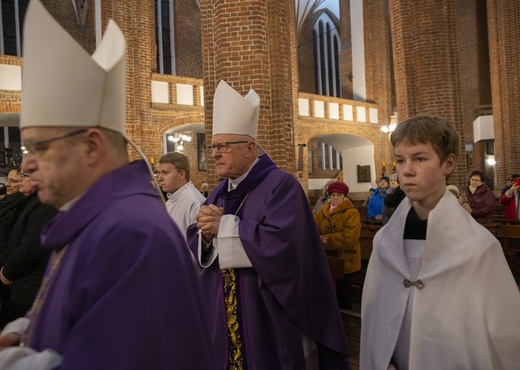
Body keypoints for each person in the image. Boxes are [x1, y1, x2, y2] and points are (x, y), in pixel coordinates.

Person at [0, 2, 212, 369]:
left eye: (39, 147)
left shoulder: (131, 232)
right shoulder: (96, 220)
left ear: (92, 145)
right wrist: (28, 331)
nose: (28, 164)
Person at [187, 80, 349, 369]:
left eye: (222, 146)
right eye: (213, 146)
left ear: (250, 147)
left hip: (265, 311)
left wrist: (223, 227)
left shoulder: (281, 186)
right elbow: (199, 236)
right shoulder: (220, 190)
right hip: (223, 310)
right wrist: (207, 234)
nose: (214, 154)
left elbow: (283, 246)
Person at [360, 114, 520, 369]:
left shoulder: (478, 247)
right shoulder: (384, 242)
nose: (406, 170)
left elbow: (506, 338)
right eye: (400, 160)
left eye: (420, 159)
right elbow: (374, 317)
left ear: (448, 163)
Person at [0, 167, 58, 325]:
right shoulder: (30, 203)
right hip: (22, 286)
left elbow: (30, 247)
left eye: (24, 176)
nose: (19, 180)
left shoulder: (45, 206)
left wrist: (7, 270)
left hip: (31, 288)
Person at [314, 181, 361, 311]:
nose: (335, 198)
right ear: (328, 196)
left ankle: (345, 322)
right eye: (333, 195)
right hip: (327, 258)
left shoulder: (352, 213)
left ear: (344, 196)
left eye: (339, 195)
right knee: (327, 294)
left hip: (346, 259)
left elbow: (349, 238)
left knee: (343, 294)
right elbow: (312, 228)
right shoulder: (323, 211)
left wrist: (324, 239)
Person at [156, 152, 206, 240]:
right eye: (158, 173)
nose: (159, 178)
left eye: (165, 173)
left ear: (181, 174)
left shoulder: (195, 202)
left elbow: (197, 245)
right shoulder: (170, 200)